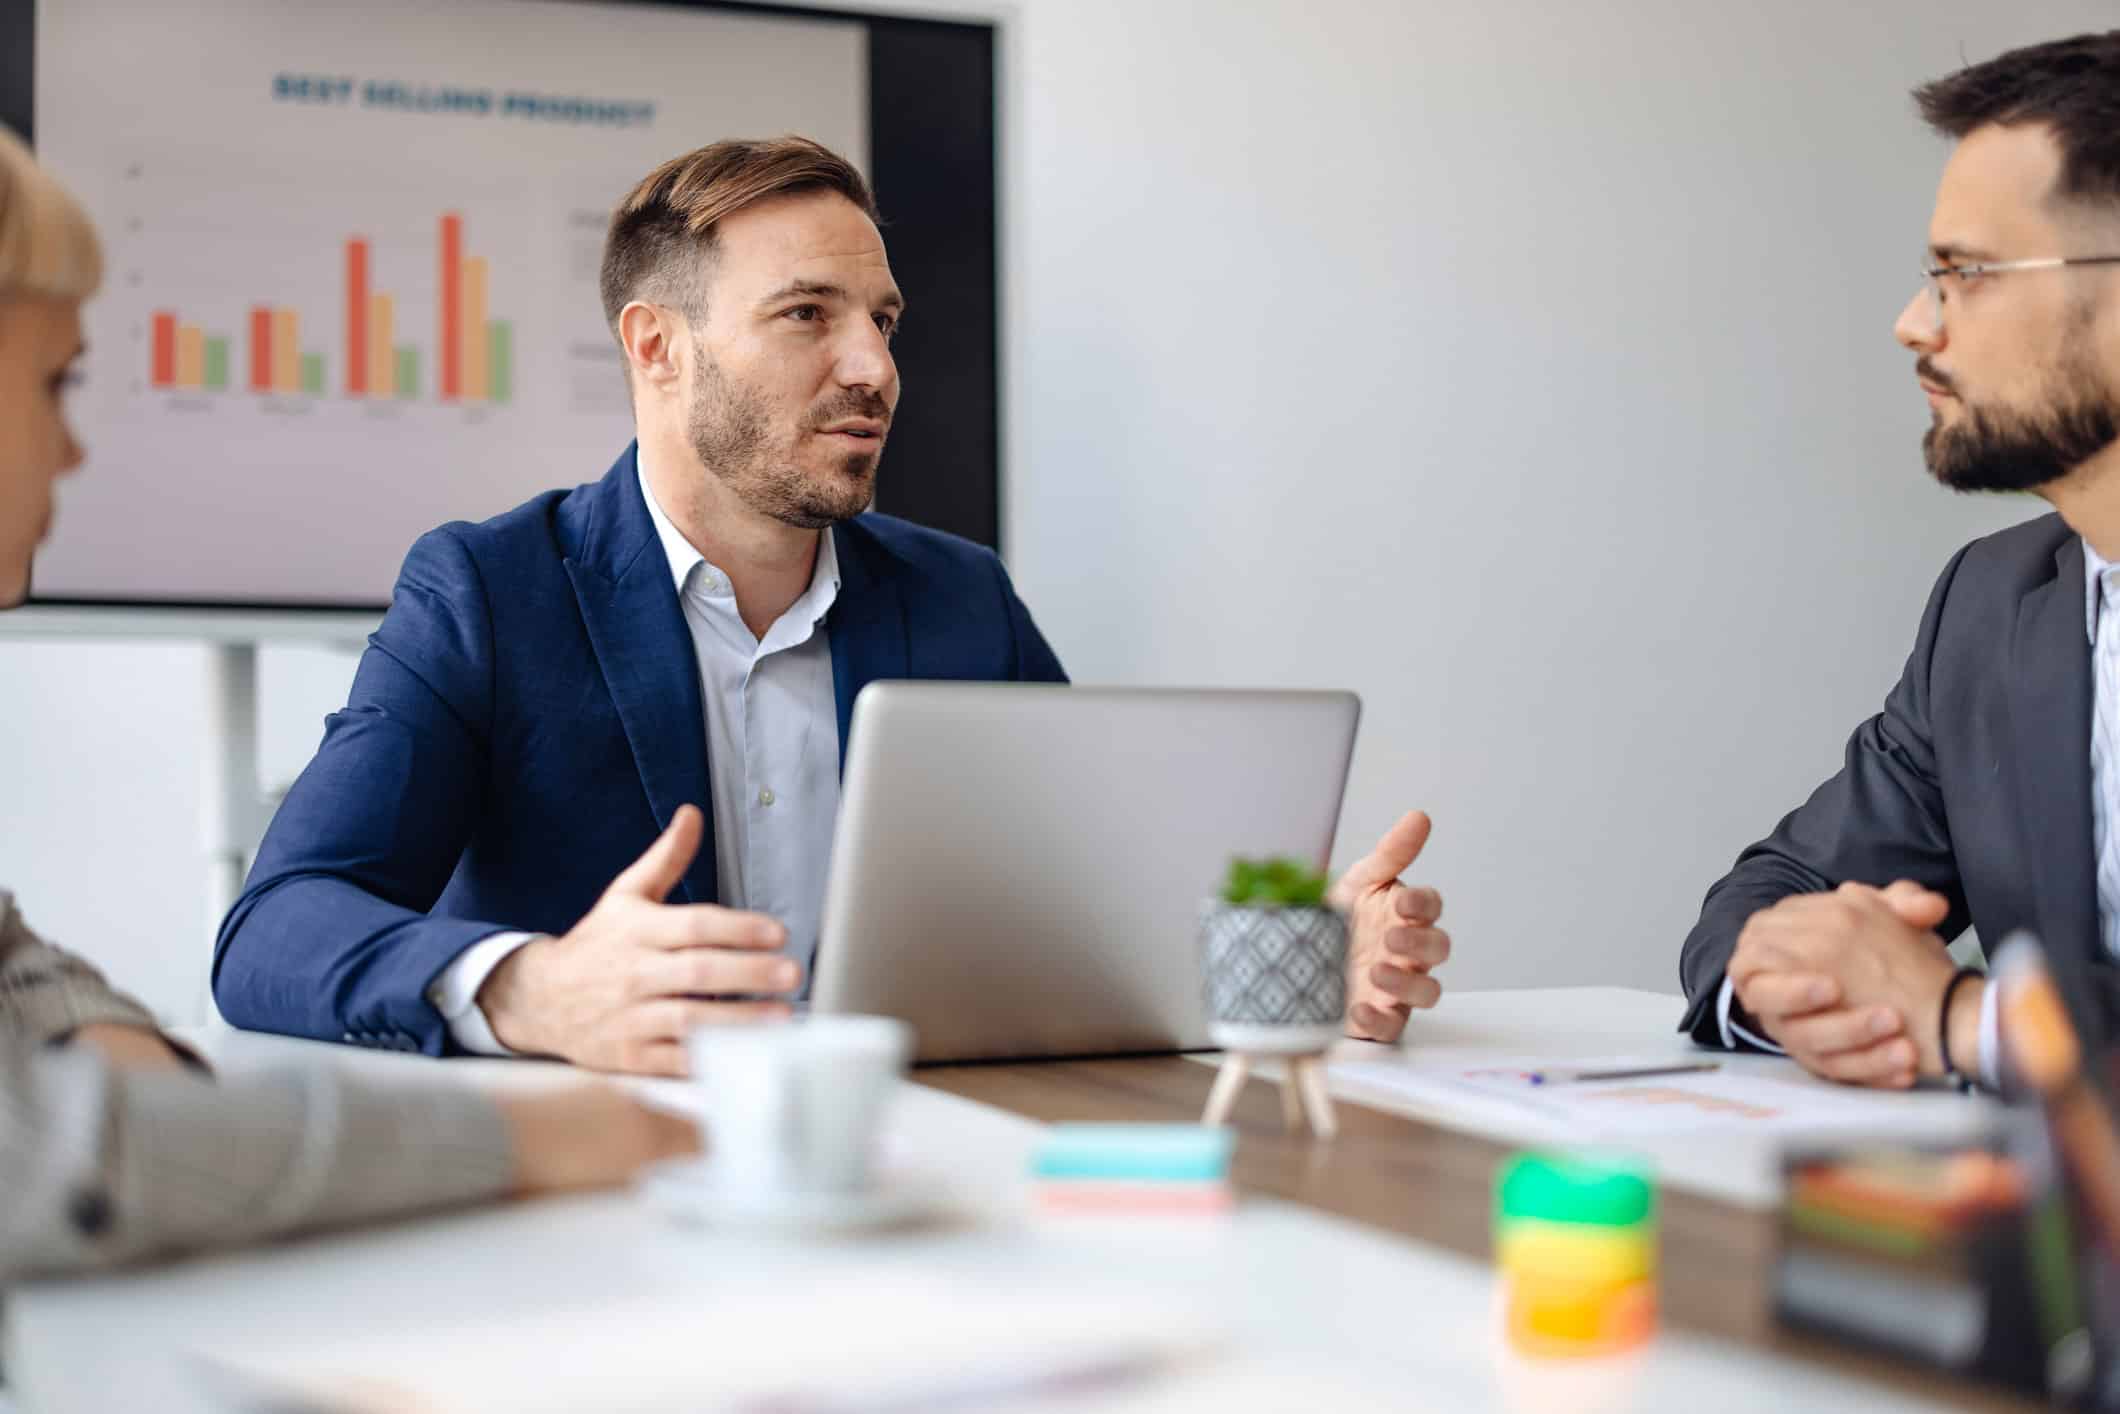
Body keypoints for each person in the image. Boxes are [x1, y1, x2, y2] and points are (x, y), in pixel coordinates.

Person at [212, 137, 1452, 1071]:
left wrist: (1291, 948)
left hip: (931, 1174)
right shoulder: (488, 592)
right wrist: (532, 989)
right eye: (808, 314)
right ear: (656, 347)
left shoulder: (964, 600)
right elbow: (273, 931)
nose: (873, 367)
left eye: (882, 320)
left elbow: (1101, 922)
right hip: (611, 1201)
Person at [0, 126, 696, 1282]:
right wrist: (534, 1131)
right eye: (51, 382)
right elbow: (51, 1163)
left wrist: (126, 1066)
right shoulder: (486, 580)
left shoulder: (957, 594)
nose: (73, 450)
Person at [1679, 32, 2120, 1091]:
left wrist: (1962, 1018)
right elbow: (1772, 897)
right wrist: (1800, 994)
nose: (1911, 325)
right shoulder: (1995, 602)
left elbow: (1946, 1009)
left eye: (1962, 273)